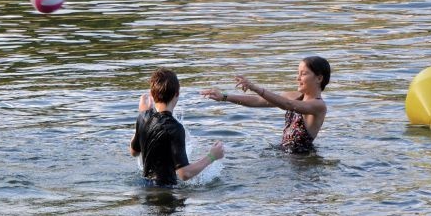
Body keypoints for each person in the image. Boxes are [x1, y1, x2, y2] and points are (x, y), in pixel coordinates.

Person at [202, 56, 331, 154]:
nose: (297, 78)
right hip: (284, 154)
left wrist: (255, 87)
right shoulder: (293, 96)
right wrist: (224, 97)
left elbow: (288, 105)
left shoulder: (318, 106)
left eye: (303, 74)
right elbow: (257, 101)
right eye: (298, 73)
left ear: (319, 78)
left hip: (302, 162)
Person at [130, 67, 224, 186]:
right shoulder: (175, 128)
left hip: (145, 189)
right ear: (177, 93)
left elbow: (134, 152)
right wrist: (212, 156)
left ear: (152, 95)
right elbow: (184, 174)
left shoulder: (143, 118)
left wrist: (141, 117)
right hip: (166, 195)